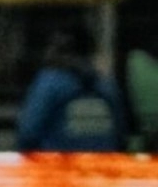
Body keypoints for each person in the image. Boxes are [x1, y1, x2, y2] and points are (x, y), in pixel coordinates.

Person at [16, 22, 127, 152]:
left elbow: (28, 133)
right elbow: (121, 134)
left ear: (59, 50)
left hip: (59, 165)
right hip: (102, 165)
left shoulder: (49, 83)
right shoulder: (106, 85)